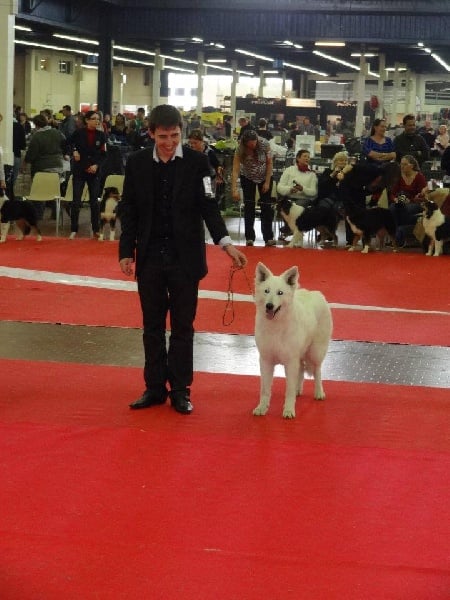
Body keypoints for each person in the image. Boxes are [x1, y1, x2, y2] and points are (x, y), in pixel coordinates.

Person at [118, 104, 247, 415]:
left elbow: (209, 208)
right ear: (150, 133)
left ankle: (179, 390)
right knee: (151, 327)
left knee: (182, 327)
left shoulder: (198, 163)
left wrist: (226, 244)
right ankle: (153, 387)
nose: (169, 142)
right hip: (149, 258)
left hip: (185, 260)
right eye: (162, 136)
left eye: (175, 135)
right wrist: (125, 252)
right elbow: (130, 210)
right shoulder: (135, 164)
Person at [336, 160, 401, 246]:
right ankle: (350, 241)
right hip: (348, 184)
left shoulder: (383, 182)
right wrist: (342, 173)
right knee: (351, 212)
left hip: (359, 191)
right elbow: (353, 166)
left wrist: (372, 204)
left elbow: (377, 193)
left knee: (362, 214)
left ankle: (365, 241)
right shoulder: (372, 169)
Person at [231, 129, 275, 246]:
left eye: (254, 142)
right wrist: (234, 188)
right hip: (248, 177)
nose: (253, 145)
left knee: (266, 206)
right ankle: (249, 237)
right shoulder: (240, 149)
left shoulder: (265, 144)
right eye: (250, 144)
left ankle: (268, 237)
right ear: (245, 143)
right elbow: (235, 169)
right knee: (249, 206)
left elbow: (270, 163)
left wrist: (267, 182)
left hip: (265, 176)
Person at [67, 110, 107, 238]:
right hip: (79, 170)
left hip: (94, 171)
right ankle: (74, 229)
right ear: (87, 120)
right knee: (76, 201)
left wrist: (96, 165)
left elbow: (104, 154)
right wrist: (73, 151)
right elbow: (67, 144)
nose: (97, 121)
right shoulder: (78, 133)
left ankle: (96, 229)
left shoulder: (102, 135)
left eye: (98, 119)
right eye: (94, 118)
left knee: (94, 202)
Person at [22, 113, 66, 219]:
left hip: (41, 168)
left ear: (36, 125)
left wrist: (24, 164)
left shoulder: (37, 136)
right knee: (56, 191)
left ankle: (38, 215)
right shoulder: (58, 133)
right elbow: (65, 144)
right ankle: (56, 214)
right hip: (58, 167)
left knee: (39, 192)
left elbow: (31, 155)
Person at [389, 155, 427, 247]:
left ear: (412, 166)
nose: (402, 166)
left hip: (415, 202)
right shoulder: (398, 176)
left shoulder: (419, 177)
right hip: (400, 201)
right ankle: (397, 234)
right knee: (392, 207)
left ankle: (400, 235)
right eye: (401, 164)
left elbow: (423, 196)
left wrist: (412, 199)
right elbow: (392, 193)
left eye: (405, 164)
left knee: (406, 209)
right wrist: (395, 199)